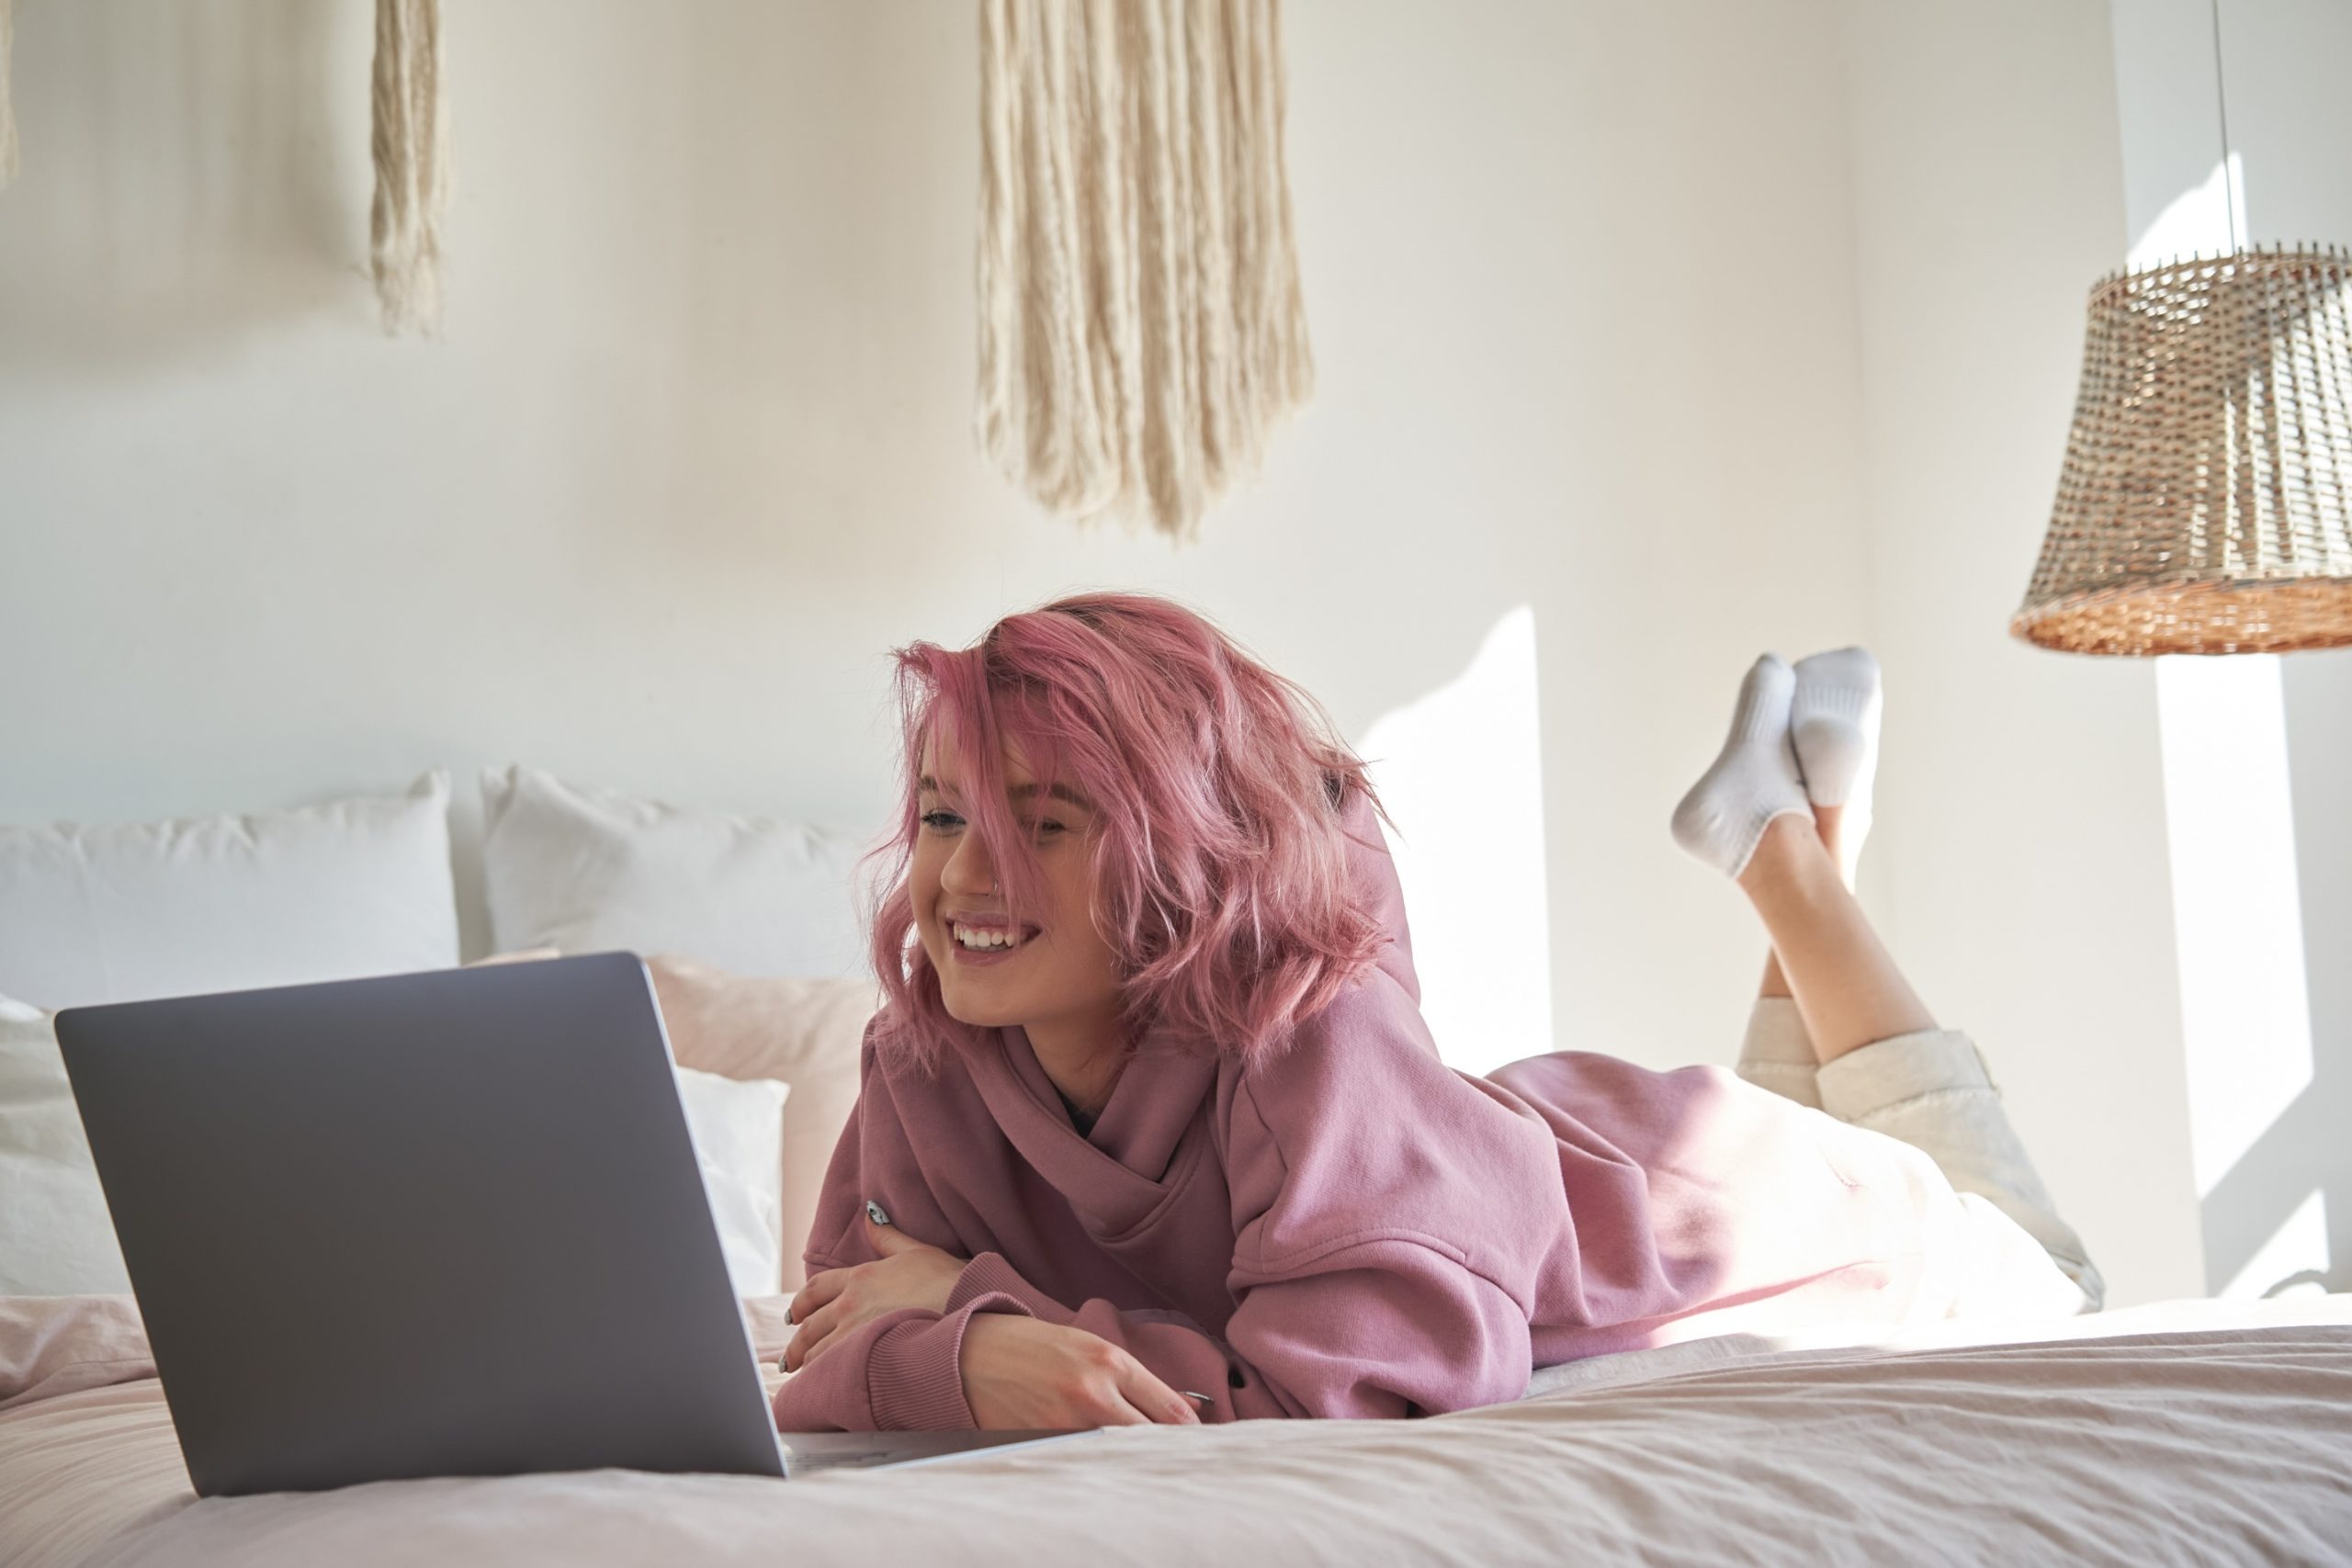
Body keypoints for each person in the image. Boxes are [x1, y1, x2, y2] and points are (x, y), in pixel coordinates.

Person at [771, 593, 2101, 1432]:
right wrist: (974, 1345)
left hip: (1732, 1213)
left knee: (2057, 1270)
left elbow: (1334, 1395)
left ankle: (1794, 858)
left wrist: (987, 1318)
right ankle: (1800, 830)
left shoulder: (1308, 1030)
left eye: (1044, 824)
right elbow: (831, 1340)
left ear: (1184, 858)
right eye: (944, 817)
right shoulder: (924, 1055)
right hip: (1485, 1161)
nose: (962, 879)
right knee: (1808, 1095)